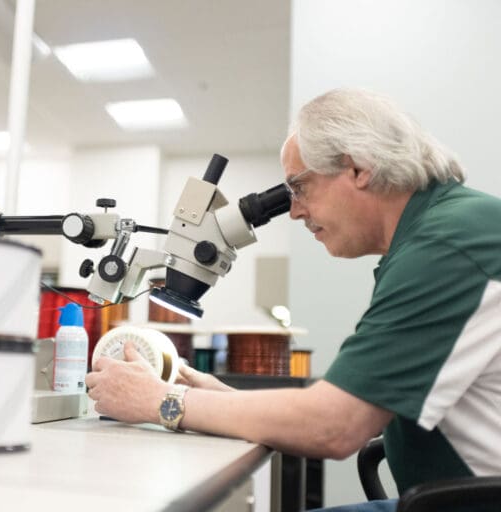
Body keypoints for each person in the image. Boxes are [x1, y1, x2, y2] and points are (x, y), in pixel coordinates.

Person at [84, 88, 501, 512]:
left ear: (357, 167)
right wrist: (221, 397)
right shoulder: (440, 233)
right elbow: (346, 404)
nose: (296, 211)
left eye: (299, 188)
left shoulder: (447, 246)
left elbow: (334, 425)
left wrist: (159, 402)